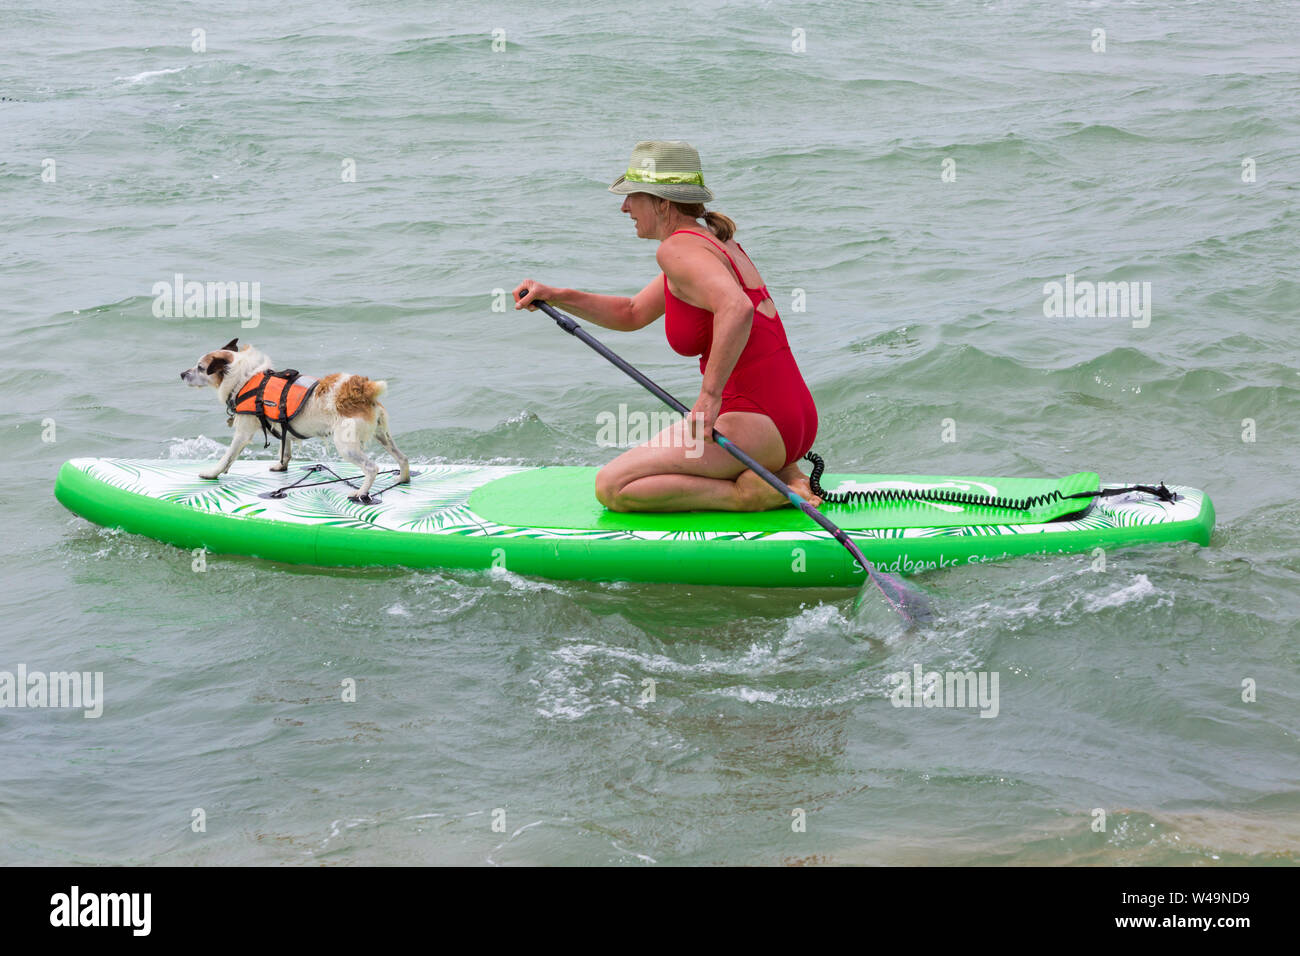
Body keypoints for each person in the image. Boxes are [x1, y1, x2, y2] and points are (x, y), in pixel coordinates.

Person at [513, 140, 820, 513]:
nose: (625, 207)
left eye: (633, 196)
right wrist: (555, 295)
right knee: (630, 478)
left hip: (755, 420)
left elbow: (737, 308)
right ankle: (786, 476)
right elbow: (631, 312)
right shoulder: (712, 243)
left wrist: (709, 397)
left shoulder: (677, 250)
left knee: (613, 486)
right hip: (793, 419)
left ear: (662, 202)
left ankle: (745, 495)